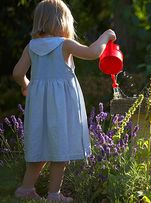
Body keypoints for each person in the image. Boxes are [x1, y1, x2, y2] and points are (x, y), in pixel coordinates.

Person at [12, 0, 116, 202]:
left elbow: (17, 72)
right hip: (61, 108)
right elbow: (93, 53)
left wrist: (26, 85)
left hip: (39, 109)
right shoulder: (64, 44)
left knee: (39, 148)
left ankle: (26, 189)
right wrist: (106, 35)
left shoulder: (31, 47)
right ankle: (54, 195)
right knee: (60, 150)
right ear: (63, 22)